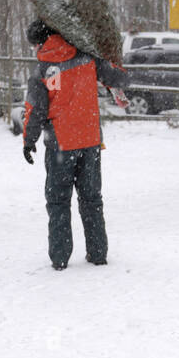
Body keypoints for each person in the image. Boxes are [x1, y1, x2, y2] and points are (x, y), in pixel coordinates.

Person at [21, 18, 129, 270]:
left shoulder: (43, 70)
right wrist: (123, 75)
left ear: (39, 42)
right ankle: (98, 253)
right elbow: (118, 77)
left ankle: (59, 258)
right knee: (91, 199)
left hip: (60, 145)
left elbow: (34, 109)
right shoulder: (87, 58)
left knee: (58, 201)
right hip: (91, 142)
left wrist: (29, 140)